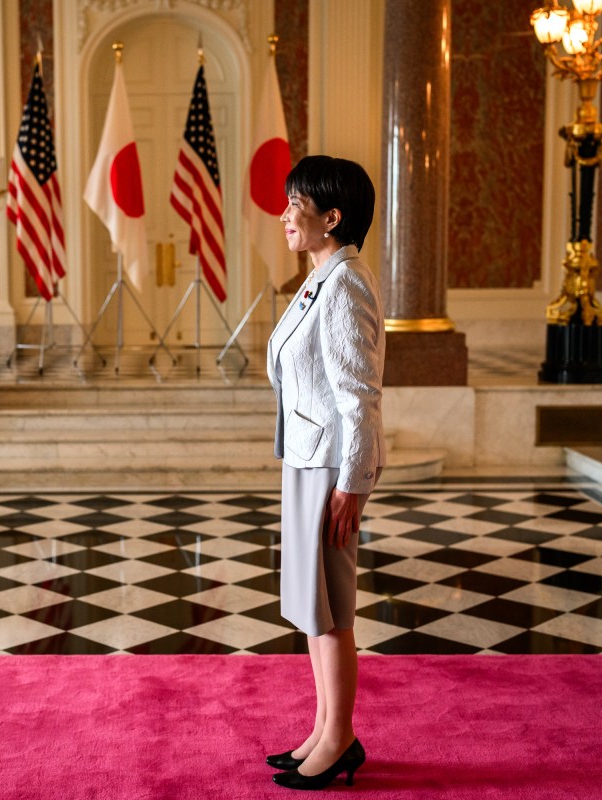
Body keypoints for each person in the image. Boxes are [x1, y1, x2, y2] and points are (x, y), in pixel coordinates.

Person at [264, 156, 385, 791]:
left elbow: (359, 396)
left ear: (330, 217)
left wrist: (352, 485)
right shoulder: (320, 278)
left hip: (332, 465)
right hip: (307, 458)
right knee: (315, 606)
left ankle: (339, 740)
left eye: (296, 205)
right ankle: (324, 726)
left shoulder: (345, 283)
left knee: (333, 609)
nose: (285, 215)